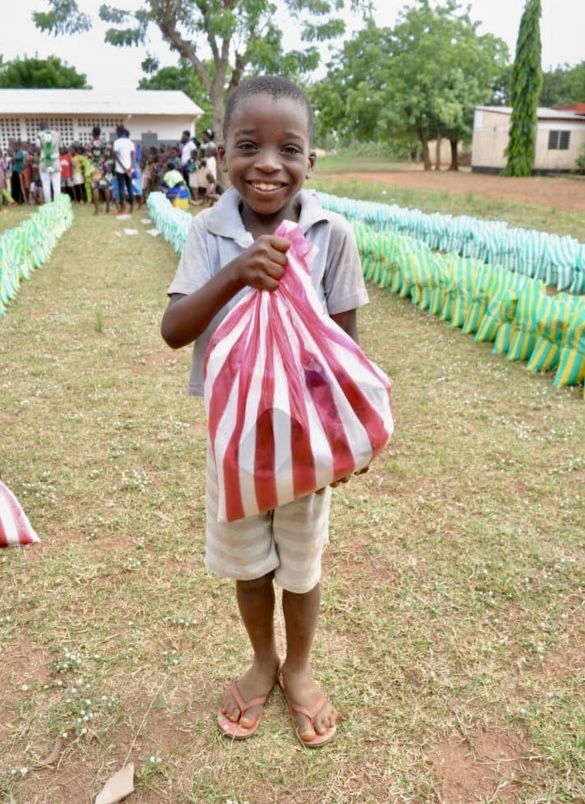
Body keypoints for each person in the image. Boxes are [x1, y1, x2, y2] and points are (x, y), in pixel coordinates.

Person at [160, 75, 369, 747]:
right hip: (235, 439)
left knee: (300, 565)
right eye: (248, 145)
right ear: (221, 152)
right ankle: (262, 661)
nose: (268, 163)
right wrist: (237, 270)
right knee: (249, 564)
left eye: (289, 148)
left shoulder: (331, 233)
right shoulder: (207, 231)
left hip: (305, 440)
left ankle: (300, 669)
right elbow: (173, 329)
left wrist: (343, 438)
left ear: (312, 160)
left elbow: (344, 347)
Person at [36, 119, 61, 204]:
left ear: (41, 127)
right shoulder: (57, 134)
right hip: (55, 162)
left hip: (44, 162)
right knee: (57, 185)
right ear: (48, 126)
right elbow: (59, 146)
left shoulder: (40, 135)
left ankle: (48, 205)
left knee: (46, 185)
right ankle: (58, 205)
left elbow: (38, 147)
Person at [113, 125, 136, 214]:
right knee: (130, 187)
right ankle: (132, 208)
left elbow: (116, 157)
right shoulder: (130, 142)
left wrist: (124, 168)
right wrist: (130, 168)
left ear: (119, 132)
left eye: (116, 132)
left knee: (121, 188)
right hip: (129, 169)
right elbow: (133, 156)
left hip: (120, 169)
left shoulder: (117, 142)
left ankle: (122, 208)